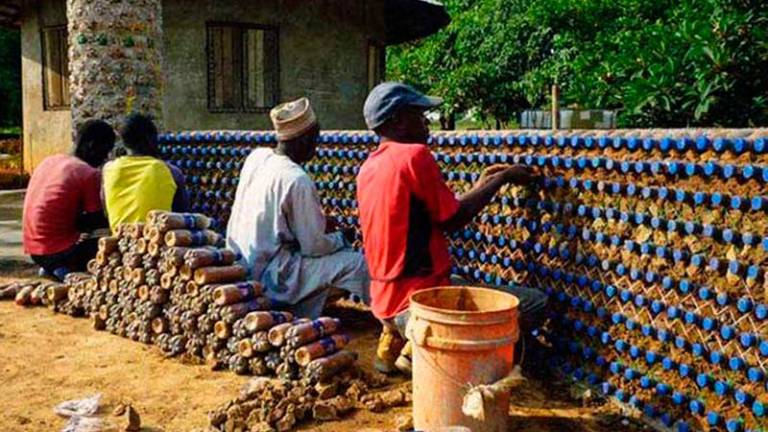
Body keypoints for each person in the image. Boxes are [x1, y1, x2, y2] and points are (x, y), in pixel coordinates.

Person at [357, 82, 549, 374]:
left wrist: (482, 184)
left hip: (383, 300)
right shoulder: (414, 155)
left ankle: (392, 340)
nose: (426, 123)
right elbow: (454, 220)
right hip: (418, 303)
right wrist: (503, 179)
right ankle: (422, 348)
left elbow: (435, 212)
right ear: (397, 120)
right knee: (535, 303)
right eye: (418, 114)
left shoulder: (369, 167)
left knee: (459, 278)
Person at [226, 97, 370, 319]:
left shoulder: (257, 157)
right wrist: (342, 237)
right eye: (315, 137)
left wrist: (320, 223)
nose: (317, 144)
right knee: (357, 264)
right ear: (303, 140)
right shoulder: (296, 179)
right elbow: (313, 246)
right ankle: (392, 322)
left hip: (239, 269)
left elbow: (273, 220)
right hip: (271, 277)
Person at [23, 119, 115, 281]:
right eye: (105, 151)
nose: (105, 158)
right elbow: (95, 220)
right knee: (114, 245)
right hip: (60, 252)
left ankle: (53, 268)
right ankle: (64, 269)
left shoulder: (48, 161)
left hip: (34, 251)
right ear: (91, 146)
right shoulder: (88, 172)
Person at [102, 113, 189, 230]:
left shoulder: (108, 170)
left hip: (119, 242)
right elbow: (181, 216)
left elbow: (106, 212)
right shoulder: (170, 171)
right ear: (151, 139)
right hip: (155, 243)